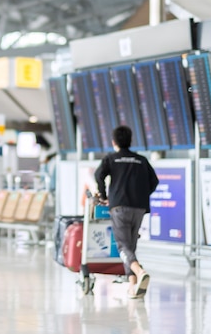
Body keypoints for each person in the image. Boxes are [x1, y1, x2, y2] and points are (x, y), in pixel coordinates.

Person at [94, 125, 159, 300]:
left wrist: (104, 195)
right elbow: (154, 181)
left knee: (123, 246)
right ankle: (132, 285)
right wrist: (142, 195)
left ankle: (139, 271)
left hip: (119, 207)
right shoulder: (141, 160)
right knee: (130, 246)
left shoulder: (111, 159)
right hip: (139, 208)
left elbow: (98, 175)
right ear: (130, 141)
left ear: (114, 142)